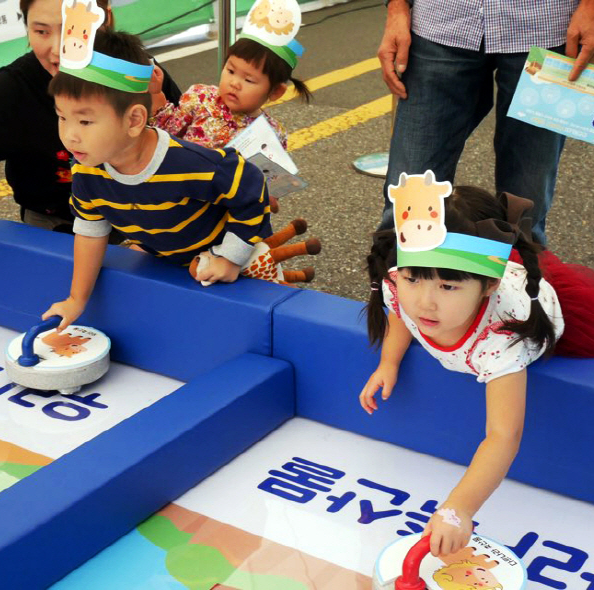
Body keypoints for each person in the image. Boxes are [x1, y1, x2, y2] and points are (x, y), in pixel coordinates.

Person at [359, 175, 594, 557]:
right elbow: (401, 313)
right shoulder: (399, 282)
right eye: (413, 278)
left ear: (488, 286)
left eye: (447, 286)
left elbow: (503, 435)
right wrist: (389, 361)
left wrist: (459, 509)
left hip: (541, 312)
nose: (424, 303)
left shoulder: (503, 337)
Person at [42, 29, 273, 330]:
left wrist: (230, 257)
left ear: (135, 120)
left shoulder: (188, 162)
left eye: (85, 121)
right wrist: (76, 300)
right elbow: (90, 231)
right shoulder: (86, 170)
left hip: (230, 262)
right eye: (62, 116)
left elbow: (252, 188)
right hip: (166, 262)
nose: (70, 134)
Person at [0, 0, 180, 237]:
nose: (58, 50)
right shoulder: (14, 89)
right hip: (58, 230)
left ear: (106, 22)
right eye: (41, 31)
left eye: (73, 30)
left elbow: (186, 144)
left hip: (154, 225)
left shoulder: (137, 73)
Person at [377, 0, 594, 245]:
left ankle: (522, 278)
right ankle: (397, 277)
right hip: (439, 24)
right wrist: (397, 7)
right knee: (411, 188)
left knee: (525, 200)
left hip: (546, 26)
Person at [149, 0, 311, 151]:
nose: (235, 83)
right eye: (231, 71)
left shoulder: (272, 133)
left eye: (248, 79)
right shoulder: (200, 98)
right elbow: (167, 134)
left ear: (275, 92)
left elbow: (268, 176)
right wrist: (156, 93)